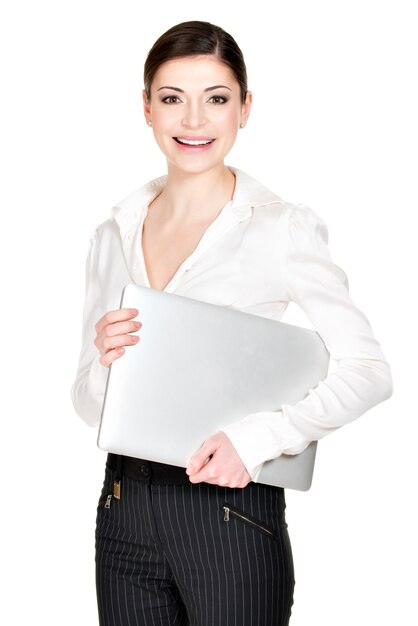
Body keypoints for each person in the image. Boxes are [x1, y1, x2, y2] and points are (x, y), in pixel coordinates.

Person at [70, 20, 393, 626]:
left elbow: (370, 371)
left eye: (216, 99)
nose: (194, 121)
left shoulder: (280, 227)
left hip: (228, 510)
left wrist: (258, 441)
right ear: (146, 109)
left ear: (245, 108)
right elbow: (90, 406)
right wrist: (105, 366)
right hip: (123, 510)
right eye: (172, 99)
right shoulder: (111, 233)